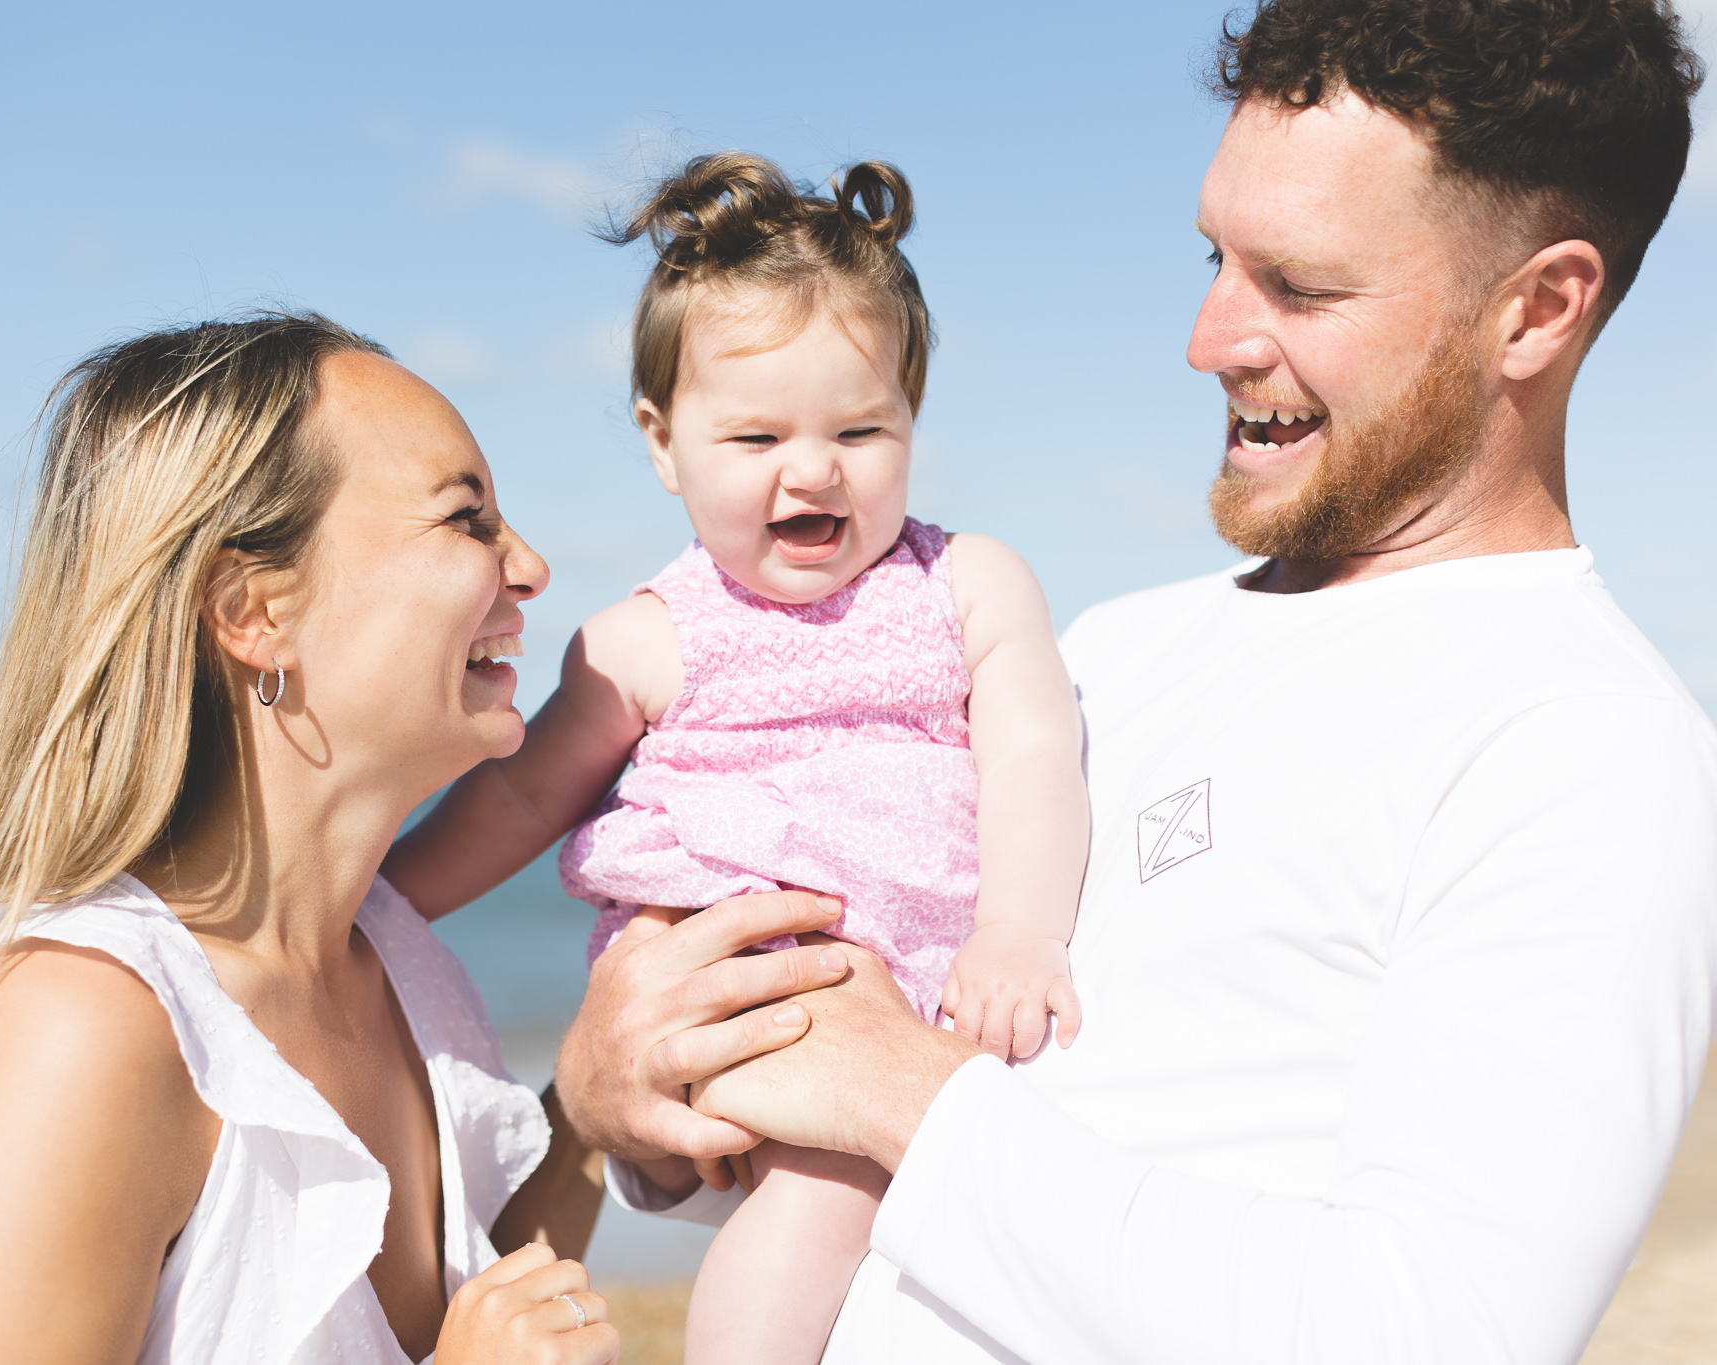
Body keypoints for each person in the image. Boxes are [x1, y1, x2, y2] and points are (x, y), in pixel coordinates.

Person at [554, 1, 1717, 1361]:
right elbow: (888, 1179)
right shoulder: (1109, 650)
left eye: (1301, 285)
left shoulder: (1589, 748)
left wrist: (904, 1099)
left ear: (1538, 307)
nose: (1209, 335)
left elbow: (1432, 1330)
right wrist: (627, 1099)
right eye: (1217, 259)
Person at [382, 155, 1089, 1365]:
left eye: (859, 430)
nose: (811, 470)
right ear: (664, 444)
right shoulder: (646, 640)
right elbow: (517, 796)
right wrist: (382, 905)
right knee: (817, 1207)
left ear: (911, 418)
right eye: (755, 433)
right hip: (750, 1002)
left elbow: (1035, 751)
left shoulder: (965, 585)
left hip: (934, 985)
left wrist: (1017, 933)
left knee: (898, 1248)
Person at [0, 313, 618, 1365]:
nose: (525, 566)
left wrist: (597, 1106)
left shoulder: (398, 969)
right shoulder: (74, 1029)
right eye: (464, 518)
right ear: (253, 611)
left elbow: (482, 1321)